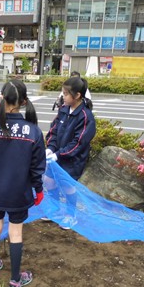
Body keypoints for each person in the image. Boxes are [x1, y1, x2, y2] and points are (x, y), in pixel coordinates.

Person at [0, 79, 46, 287]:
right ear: (24, 102)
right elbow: (37, 168)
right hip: (19, 193)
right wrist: (38, 189)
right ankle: (15, 279)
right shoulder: (33, 132)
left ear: (2, 98)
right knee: (16, 233)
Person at [45, 76, 96, 229]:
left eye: (66, 94)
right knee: (48, 181)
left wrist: (59, 154)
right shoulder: (63, 110)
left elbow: (79, 142)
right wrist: (50, 148)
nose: (63, 97)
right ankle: (54, 210)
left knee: (68, 187)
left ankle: (70, 215)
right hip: (57, 156)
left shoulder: (86, 116)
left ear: (78, 95)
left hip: (73, 159)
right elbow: (53, 131)